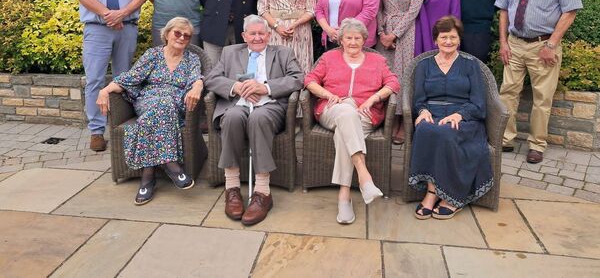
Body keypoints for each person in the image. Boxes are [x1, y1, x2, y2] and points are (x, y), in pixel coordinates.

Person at [205, 15, 303, 226]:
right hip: (237, 104)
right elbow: (211, 79)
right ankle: (231, 188)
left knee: (258, 118)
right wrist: (236, 87)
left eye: (261, 33)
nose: (257, 37)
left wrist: (265, 87)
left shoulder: (283, 53)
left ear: (269, 35)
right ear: (244, 36)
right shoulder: (230, 52)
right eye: (253, 33)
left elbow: (298, 78)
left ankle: (262, 193)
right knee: (231, 117)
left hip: (269, 106)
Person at [496, 0, 582, 164]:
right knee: (508, 93)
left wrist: (552, 45)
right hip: (514, 44)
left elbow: (570, 11)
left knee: (542, 98)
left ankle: (537, 145)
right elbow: (503, 9)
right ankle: (506, 138)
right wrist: (503, 42)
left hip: (543, 46)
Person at [96, 17, 204, 205]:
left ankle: (148, 176)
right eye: (177, 33)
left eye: (186, 36)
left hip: (175, 103)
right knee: (159, 106)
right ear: (167, 34)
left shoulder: (192, 58)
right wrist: (105, 90)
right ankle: (171, 165)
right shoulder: (152, 55)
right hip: (148, 100)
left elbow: (196, 77)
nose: (181, 38)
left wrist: (197, 86)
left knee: (160, 109)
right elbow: (131, 77)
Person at [305, 18, 400, 225]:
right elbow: (309, 80)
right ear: (341, 40)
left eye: (358, 38)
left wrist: (373, 98)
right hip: (332, 110)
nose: (353, 42)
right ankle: (364, 175)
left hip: (365, 115)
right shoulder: (329, 57)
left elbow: (393, 82)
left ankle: (344, 195)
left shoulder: (377, 61)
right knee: (346, 113)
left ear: (364, 40)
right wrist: (327, 94)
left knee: (344, 130)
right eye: (348, 38)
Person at [68, 0, 149, 152]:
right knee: (94, 79)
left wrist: (121, 14)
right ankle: (96, 131)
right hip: (97, 29)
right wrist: (107, 14)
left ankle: (121, 127)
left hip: (127, 28)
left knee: (124, 80)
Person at [409, 16, 493, 220]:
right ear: (435, 40)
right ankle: (432, 192)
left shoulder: (471, 65)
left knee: (446, 132)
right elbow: (419, 99)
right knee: (425, 129)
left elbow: (479, 103)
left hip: (464, 117)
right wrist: (422, 111)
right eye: (444, 37)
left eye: (453, 37)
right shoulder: (423, 65)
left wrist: (460, 114)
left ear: (459, 39)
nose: (448, 41)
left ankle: (452, 196)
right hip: (433, 113)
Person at [376, 0, 425, 144]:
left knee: (402, 76)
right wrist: (381, 33)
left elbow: (414, 10)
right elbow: (377, 7)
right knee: (383, 76)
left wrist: (394, 34)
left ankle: (401, 122)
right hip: (383, 32)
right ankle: (385, 118)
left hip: (404, 34)